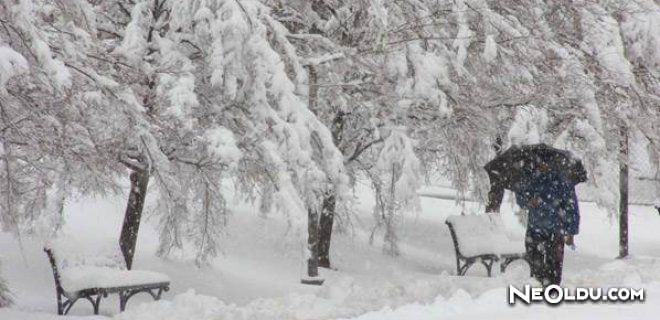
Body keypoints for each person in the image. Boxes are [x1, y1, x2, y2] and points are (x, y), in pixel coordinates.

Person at [515, 162, 579, 286]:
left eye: (546, 162)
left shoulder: (562, 180)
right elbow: (520, 195)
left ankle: (552, 291)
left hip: (555, 231)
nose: (542, 165)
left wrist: (571, 231)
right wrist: (528, 201)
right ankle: (538, 289)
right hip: (534, 229)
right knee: (535, 266)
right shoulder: (531, 177)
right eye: (540, 163)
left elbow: (571, 207)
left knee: (554, 267)